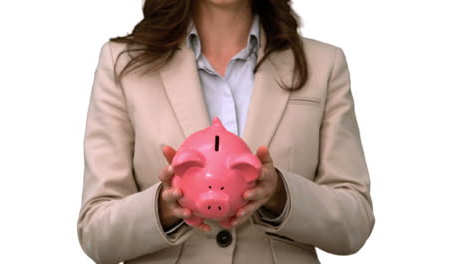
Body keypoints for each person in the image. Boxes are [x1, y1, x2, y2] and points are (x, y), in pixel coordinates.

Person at [77, 0, 375, 263]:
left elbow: (355, 222)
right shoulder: (122, 64)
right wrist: (166, 206)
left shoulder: (323, 65)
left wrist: (280, 194)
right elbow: (96, 233)